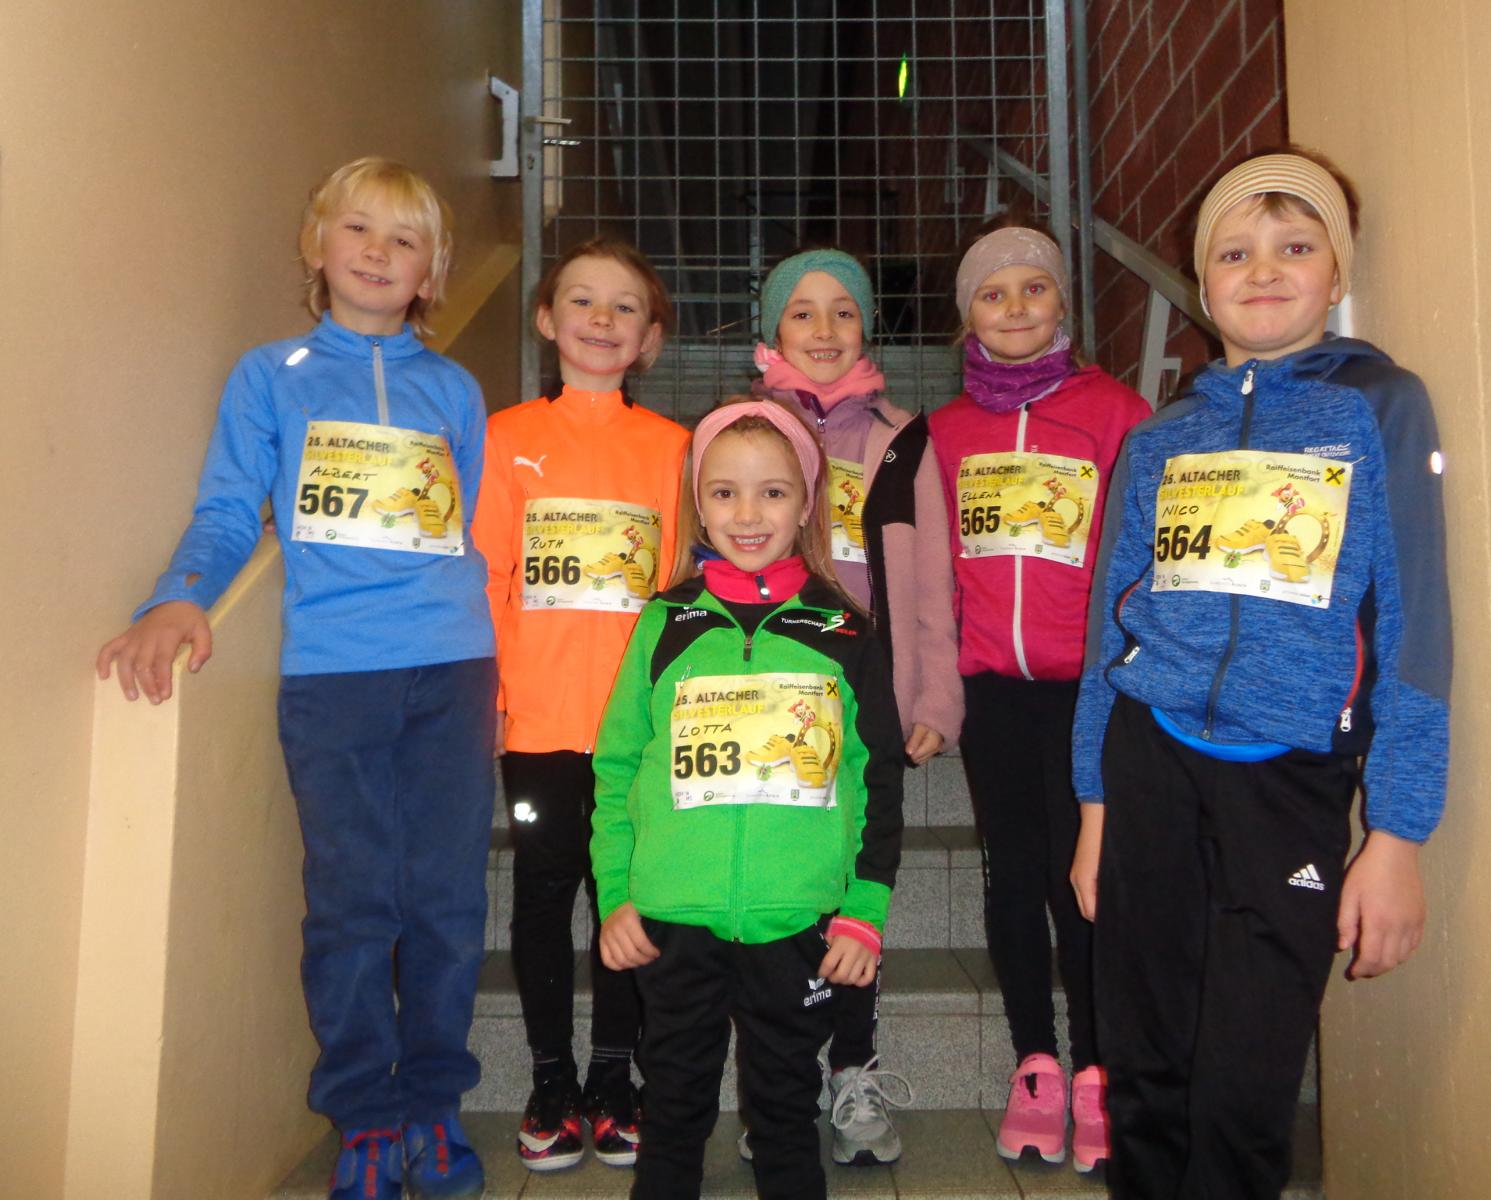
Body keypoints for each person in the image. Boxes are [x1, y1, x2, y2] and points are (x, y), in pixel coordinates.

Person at [95, 157, 496, 1200]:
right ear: (317, 246)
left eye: (404, 240)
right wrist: (178, 597)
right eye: (358, 229)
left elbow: (467, 527)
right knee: (352, 903)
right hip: (334, 675)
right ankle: (364, 1115)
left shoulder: (455, 390)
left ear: (431, 273)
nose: (378, 252)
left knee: (447, 899)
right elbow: (231, 507)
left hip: (452, 666)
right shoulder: (269, 375)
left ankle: (433, 1106)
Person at [1069, 147, 1451, 1200]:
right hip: (1148, 762)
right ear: (1202, 283)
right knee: (1142, 1069)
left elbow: (1416, 623)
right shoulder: (1160, 438)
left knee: (1244, 1089)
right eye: (1234, 252)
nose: (1265, 269)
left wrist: (1397, 835)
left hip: (1287, 780)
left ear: (1336, 273)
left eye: (1295, 245)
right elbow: (1111, 631)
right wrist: (1096, 809)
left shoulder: (1380, 405)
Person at [591, 397, 905, 1199]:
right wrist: (617, 895)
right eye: (724, 492)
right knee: (673, 1112)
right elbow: (618, 769)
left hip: (796, 921)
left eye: (773, 491)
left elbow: (876, 779)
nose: (748, 513)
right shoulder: (665, 623)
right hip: (674, 919)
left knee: (785, 1116)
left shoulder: (846, 632)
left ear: (806, 504)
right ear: (699, 504)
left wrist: (864, 910)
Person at [928, 223, 1149, 1171]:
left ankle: (1099, 1066)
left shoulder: (1119, 413)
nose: (1015, 307)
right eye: (993, 293)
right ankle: (1036, 1062)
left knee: (1084, 879)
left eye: (1034, 288)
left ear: (1063, 303)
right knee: (1013, 876)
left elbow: (1140, 553)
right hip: (993, 693)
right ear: (967, 315)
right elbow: (934, 566)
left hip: (1088, 690)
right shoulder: (943, 433)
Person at [469, 237, 689, 1172]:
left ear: (650, 338)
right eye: (583, 301)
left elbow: (681, 591)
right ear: (546, 320)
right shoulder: (504, 438)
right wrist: (488, 698)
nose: (603, 319)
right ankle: (552, 1079)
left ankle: (613, 1076)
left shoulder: (676, 450)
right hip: (541, 721)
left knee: (628, 897)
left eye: (625, 306)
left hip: (637, 732)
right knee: (543, 892)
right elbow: (486, 576)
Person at [748, 248, 962, 1165]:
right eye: (803, 312)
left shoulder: (905, 440)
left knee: (856, 889)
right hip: (771, 699)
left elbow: (934, 582)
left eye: (844, 311)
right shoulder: (742, 432)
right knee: (784, 887)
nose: (825, 329)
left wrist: (936, 692)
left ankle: (853, 1068)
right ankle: (780, 1082)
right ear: (773, 330)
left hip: (872, 699)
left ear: (867, 327)